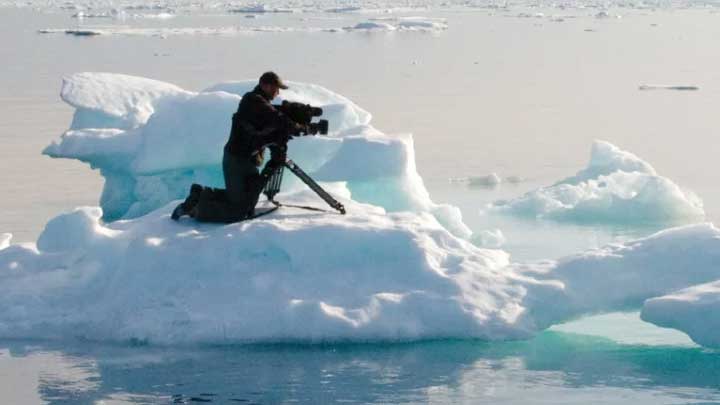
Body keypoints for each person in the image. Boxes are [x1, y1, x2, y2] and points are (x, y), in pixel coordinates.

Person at [172, 71, 305, 222]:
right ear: (265, 86)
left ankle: (200, 194)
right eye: (276, 88)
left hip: (247, 158)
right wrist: (297, 127)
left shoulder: (260, 103)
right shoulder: (253, 101)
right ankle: (195, 208)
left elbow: (269, 125)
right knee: (238, 211)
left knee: (247, 199)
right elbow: (276, 118)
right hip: (236, 159)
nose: (277, 92)